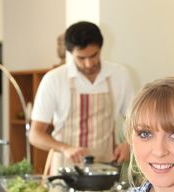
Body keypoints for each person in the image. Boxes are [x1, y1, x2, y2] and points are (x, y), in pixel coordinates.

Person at [29, 21, 134, 173]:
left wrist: (128, 143)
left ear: (100, 48)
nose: (89, 63)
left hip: (106, 171)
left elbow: (137, 120)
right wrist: (65, 148)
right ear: (71, 53)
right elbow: (35, 135)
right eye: (81, 58)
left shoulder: (119, 75)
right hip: (65, 173)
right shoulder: (54, 79)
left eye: (93, 55)